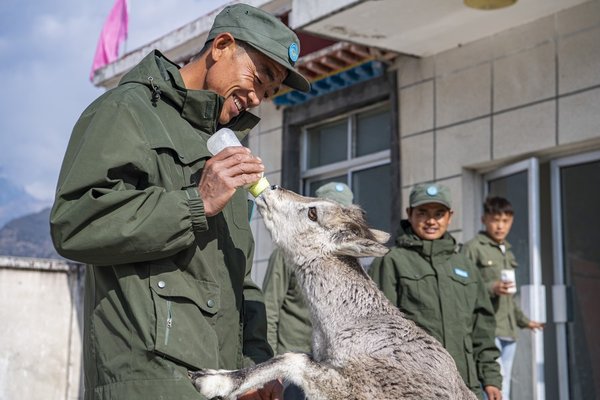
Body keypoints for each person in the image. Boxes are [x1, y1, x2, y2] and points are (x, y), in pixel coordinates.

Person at [49, 4, 310, 400]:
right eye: (258, 79)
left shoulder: (226, 147)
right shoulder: (127, 111)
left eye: (269, 93)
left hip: (217, 386)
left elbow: (239, 278)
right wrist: (196, 202)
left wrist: (256, 370)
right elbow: (75, 223)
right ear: (222, 45)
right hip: (147, 386)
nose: (257, 98)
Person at [368, 183, 503, 400]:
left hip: (465, 385)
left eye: (439, 214)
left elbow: (482, 328)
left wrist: (490, 378)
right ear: (409, 214)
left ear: (449, 217)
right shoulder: (392, 261)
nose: (431, 221)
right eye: (423, 213)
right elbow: (377, 329)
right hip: (416, 386)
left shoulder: (465, 265)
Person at [262, 182, 354, 400]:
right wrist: (271, 366)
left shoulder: (350, 261)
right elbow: (269, 309)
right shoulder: (287, 254)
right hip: (293, 366)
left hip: (332, 369)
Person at [462, 196, 544, 400]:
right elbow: (462, 287)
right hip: (486, 330)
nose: (500, 226)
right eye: (495, 220)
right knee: (492, 386)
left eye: (505, 221)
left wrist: (525, 322)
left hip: (508, 330)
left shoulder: (507, 250)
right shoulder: (473, 248)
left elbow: (509, 298)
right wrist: (491, 288)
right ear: (483, 219)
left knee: (503, 384)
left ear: (512, 221)